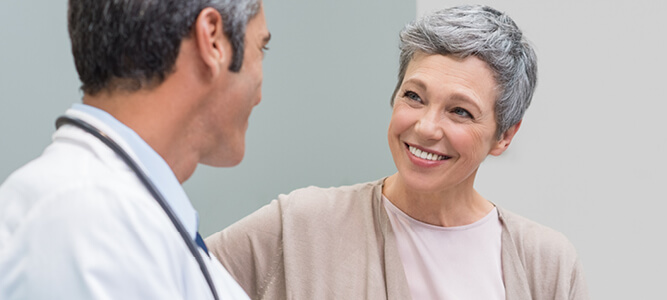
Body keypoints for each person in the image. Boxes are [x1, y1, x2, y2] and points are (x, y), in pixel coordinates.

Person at [207, 4, 588, 300]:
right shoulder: (301, 225)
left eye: (460, 111)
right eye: (414, 96)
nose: (425, 127)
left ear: (504, 135)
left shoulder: (546, 263)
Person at [0, 0, 270, 299]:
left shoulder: (110, 212)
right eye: (262, 48)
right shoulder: (89, 220)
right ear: (213, 39)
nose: (260, 95)